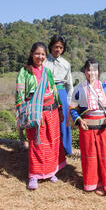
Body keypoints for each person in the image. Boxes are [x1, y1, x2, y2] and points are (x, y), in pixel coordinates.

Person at [15, 42, 63, 190]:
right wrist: (20, 112)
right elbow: (20, 94)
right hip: (35, 113)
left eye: (43, 54)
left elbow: (54, 91)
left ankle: (50, 172)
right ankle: (34, 175)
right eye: (37, 54)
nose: (40, 57)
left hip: (51, 111)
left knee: (52, 141)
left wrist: (60, 109)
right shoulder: (24, 72)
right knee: (37, 142)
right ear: (31, 54)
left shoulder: (47, 72)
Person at [69, 58, 106, 196]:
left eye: (95, 70)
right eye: (89, 70)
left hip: (103, 126)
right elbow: (72, 109)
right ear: (85, 72)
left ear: (99, 72)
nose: (92, 72)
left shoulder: (105, 88)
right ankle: (94, 184)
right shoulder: (78, 89)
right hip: (87, 127)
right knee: (91, 156)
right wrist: (79, 120)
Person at [43, 35, 73, 170]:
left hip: (61, 93)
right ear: (51, 47)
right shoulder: (44, 62)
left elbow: (70, 85)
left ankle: (64, 151)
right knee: (49, 123)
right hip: (47, 93)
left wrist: (69, 101)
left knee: (63, 123)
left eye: (61, 47)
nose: (58, 50)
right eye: (56, 47)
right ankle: (49, 151)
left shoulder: (66, 64)